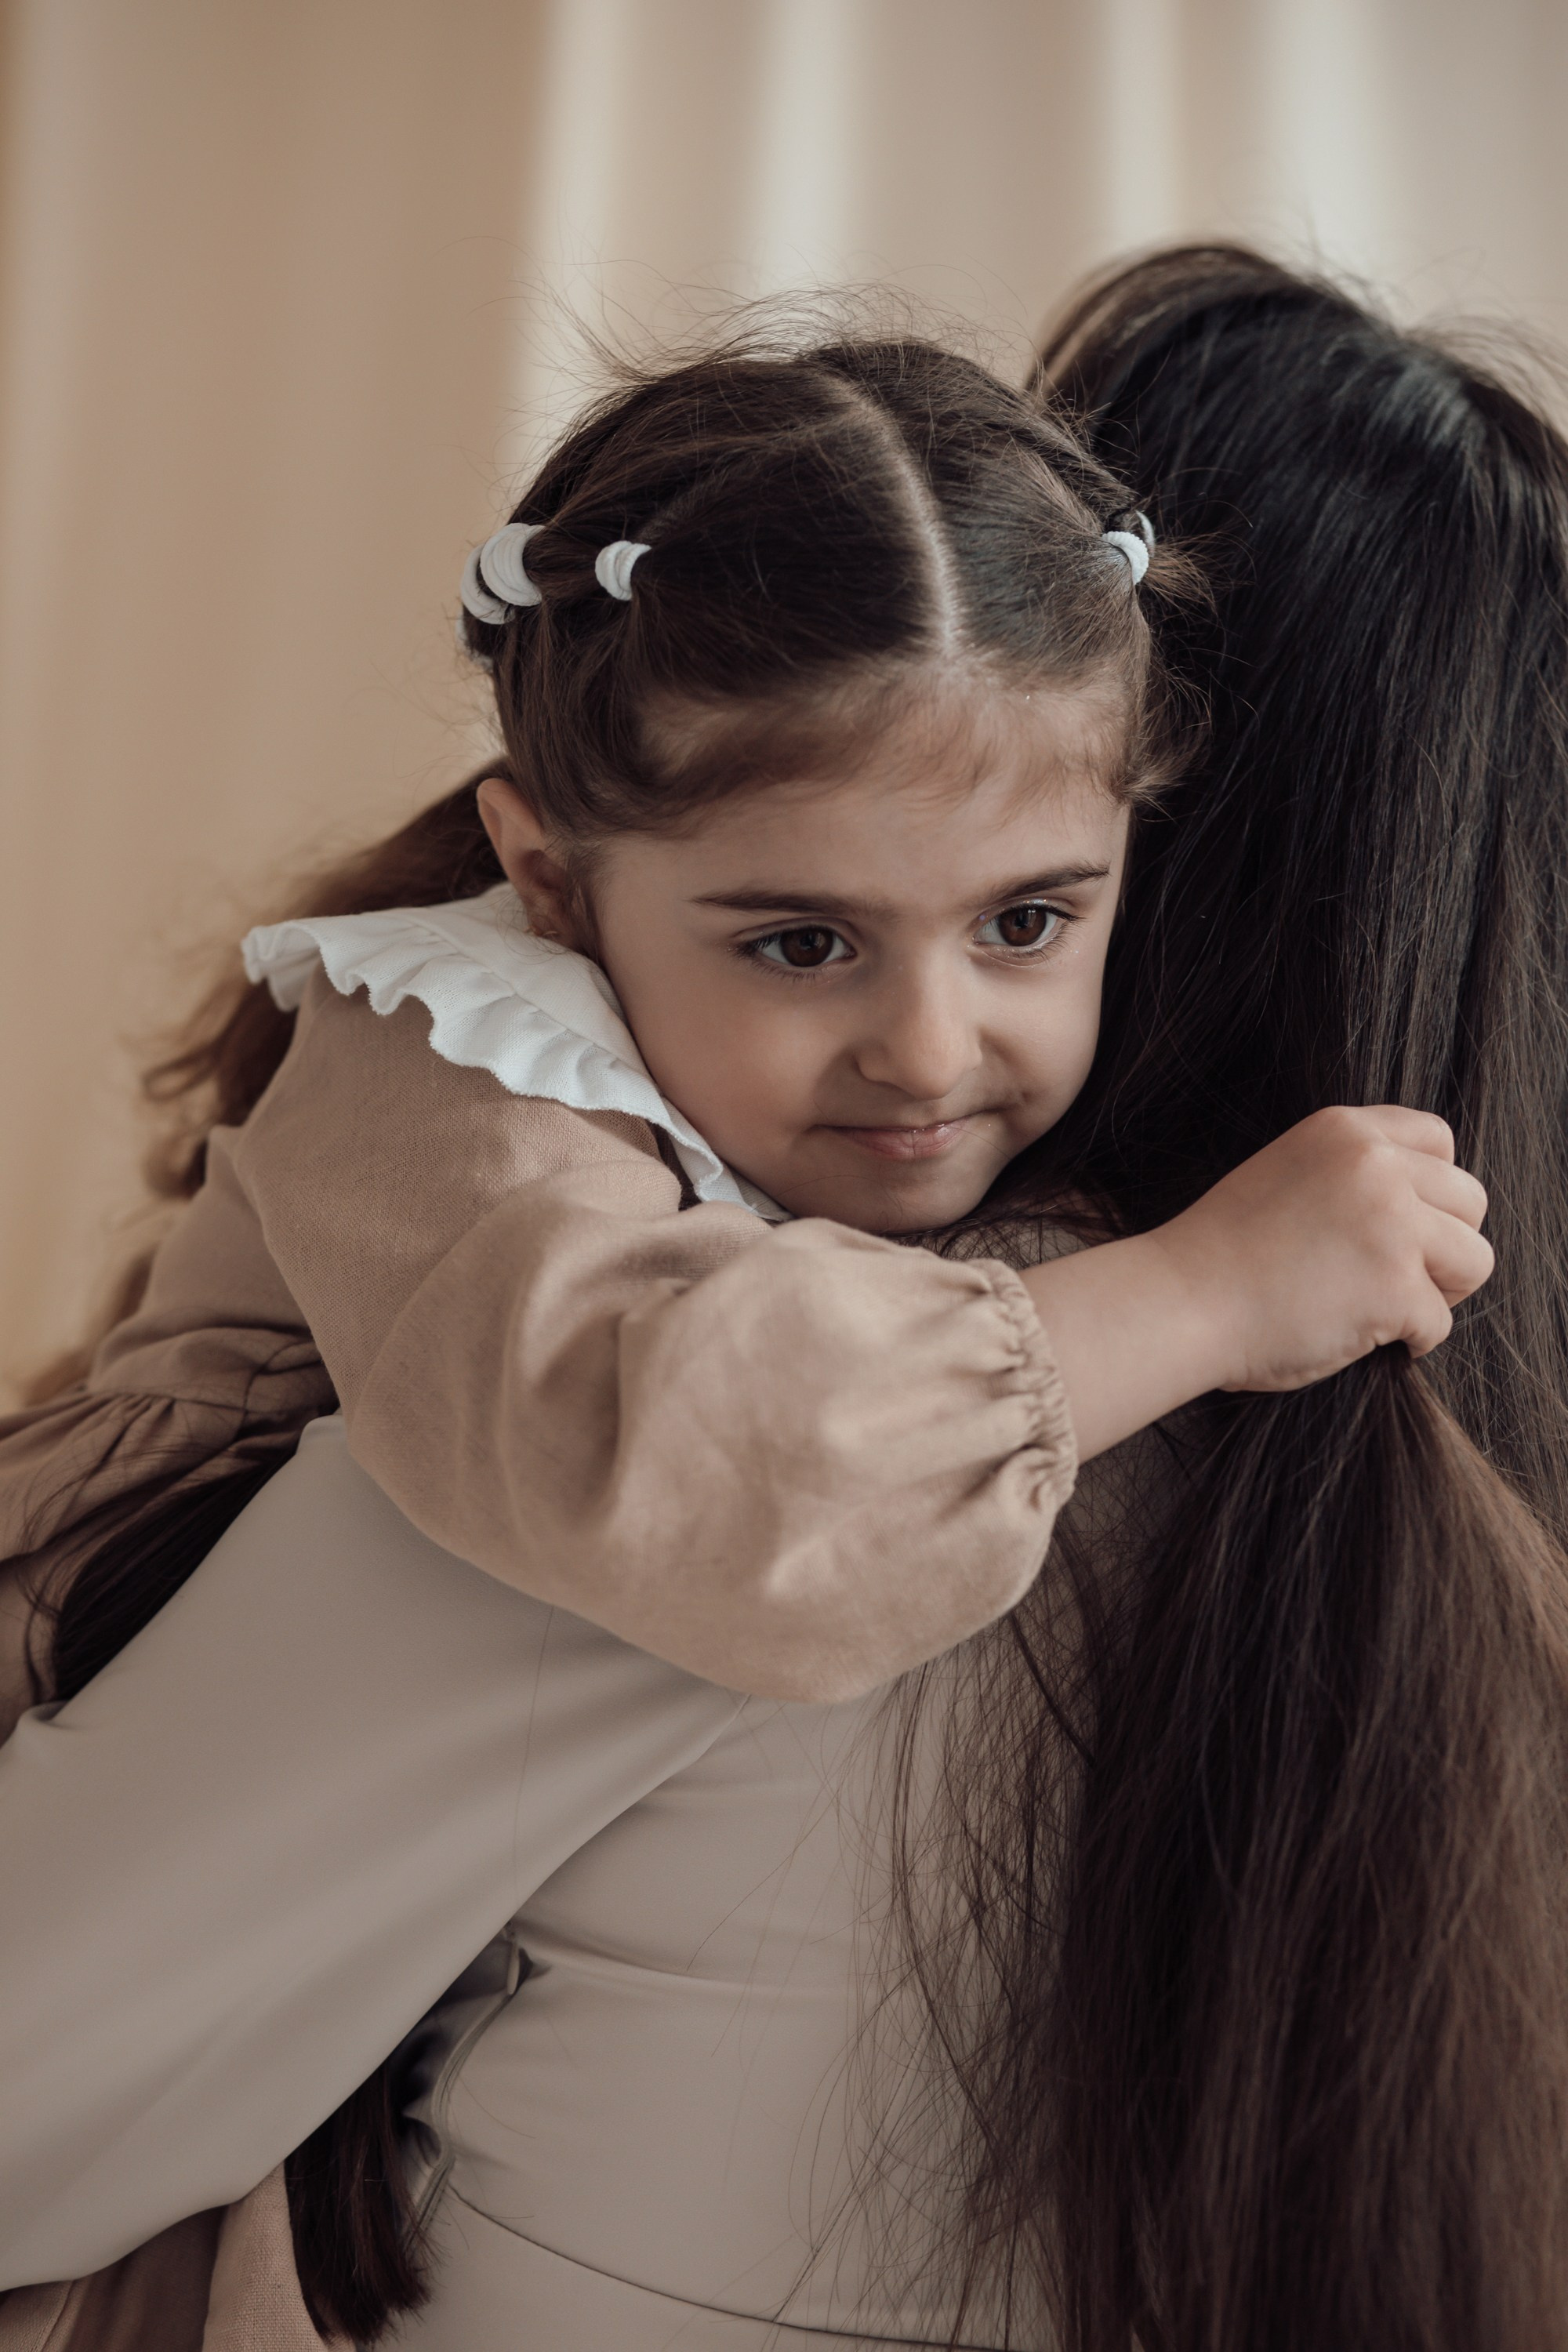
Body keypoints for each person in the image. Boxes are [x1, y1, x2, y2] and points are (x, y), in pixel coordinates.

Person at [0, 275, 1542, 2348]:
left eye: (1027, 919)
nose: (929, 1045)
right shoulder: (579, 1247)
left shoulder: (859, 1384)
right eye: (807, 935)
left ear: (1151, 827)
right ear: (552, 880)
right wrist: (1193, 1293)